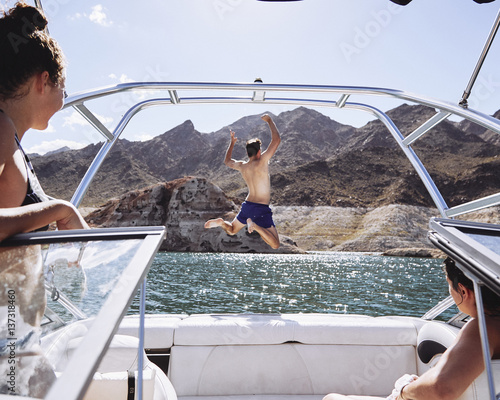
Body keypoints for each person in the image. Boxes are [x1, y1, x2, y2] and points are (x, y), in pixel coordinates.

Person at [323, 257, 500, 400]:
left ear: (462, 290)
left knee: (331, 398)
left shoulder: (483, 328)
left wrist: (403, 390)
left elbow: (443, 389)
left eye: (448, 285)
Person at [0, 1, 88, 231]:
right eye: (63, 89)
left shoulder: (10, 141)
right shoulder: (1, 127)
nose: (63, 99)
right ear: (43, 81)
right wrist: (61, 210)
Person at [205, 114, 281, 249]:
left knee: (232, 229)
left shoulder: (242, 166)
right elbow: (276, 140)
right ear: (258, 152)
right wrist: (269, 121)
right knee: (275, 244)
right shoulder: (262, 161)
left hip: (247, 206)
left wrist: (232, 143)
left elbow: (227, 161)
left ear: (248, 153)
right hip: (261, 208)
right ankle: (255, 226)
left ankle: (222, 223)